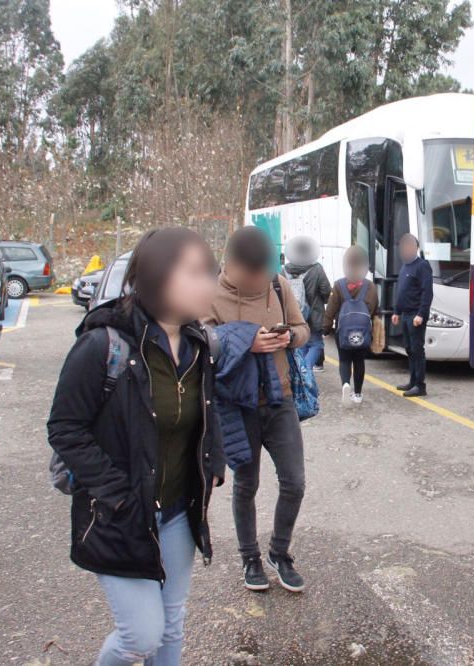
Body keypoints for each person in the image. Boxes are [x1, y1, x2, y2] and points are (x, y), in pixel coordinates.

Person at [47, 228, 230, 666]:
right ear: (157, 277)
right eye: (195, 272)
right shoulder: (102, 346)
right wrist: (118, 493)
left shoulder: (200, 344)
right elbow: (65, 428)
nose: (210, 282)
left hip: (180, 513)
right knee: (141, 636)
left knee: (171, 625)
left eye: (211, 271)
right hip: (121, 515)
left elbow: (206, 408)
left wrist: (215, 457)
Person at [207, 226, 311, 593]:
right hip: (238, 405)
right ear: (231, 265)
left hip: (279, 399)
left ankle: (278, 553)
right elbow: (201, 343)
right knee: (246, 484)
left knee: (295, 482)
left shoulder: (279, 285)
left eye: (263, 272)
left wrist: (289, 337)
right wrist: (245, 342)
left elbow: (304, 329)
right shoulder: (210, 294)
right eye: (251, 273)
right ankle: (249, 557)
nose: (258, 280)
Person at [323, 246, 379, 405]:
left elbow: (331, 309)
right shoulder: (370, 286)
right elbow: (374, 309)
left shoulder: (339, 285)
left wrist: (326, 328)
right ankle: (358, 394)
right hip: (362, 331)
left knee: (345, 360)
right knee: (359, 361)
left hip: (343, 331)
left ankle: (345, 384)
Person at [391, 233, 433, 397]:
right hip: (405, 314)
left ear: (416, 248)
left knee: (417, 349)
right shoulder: (405, 266)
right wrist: (396, 311)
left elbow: (427, 292)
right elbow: (401, 291)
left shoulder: (422, 266)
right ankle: (412, 381)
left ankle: (420, 385)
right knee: (409, 349)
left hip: (416, 315)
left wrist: (421, 314)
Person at [282, 236, 331, 372]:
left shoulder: (284, 270)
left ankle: (300, 371)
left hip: (293, 314)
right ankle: (306, 368)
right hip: (314, 314)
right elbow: (326, 290)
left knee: (301, 343)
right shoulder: (316, 269)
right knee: (316, 344)